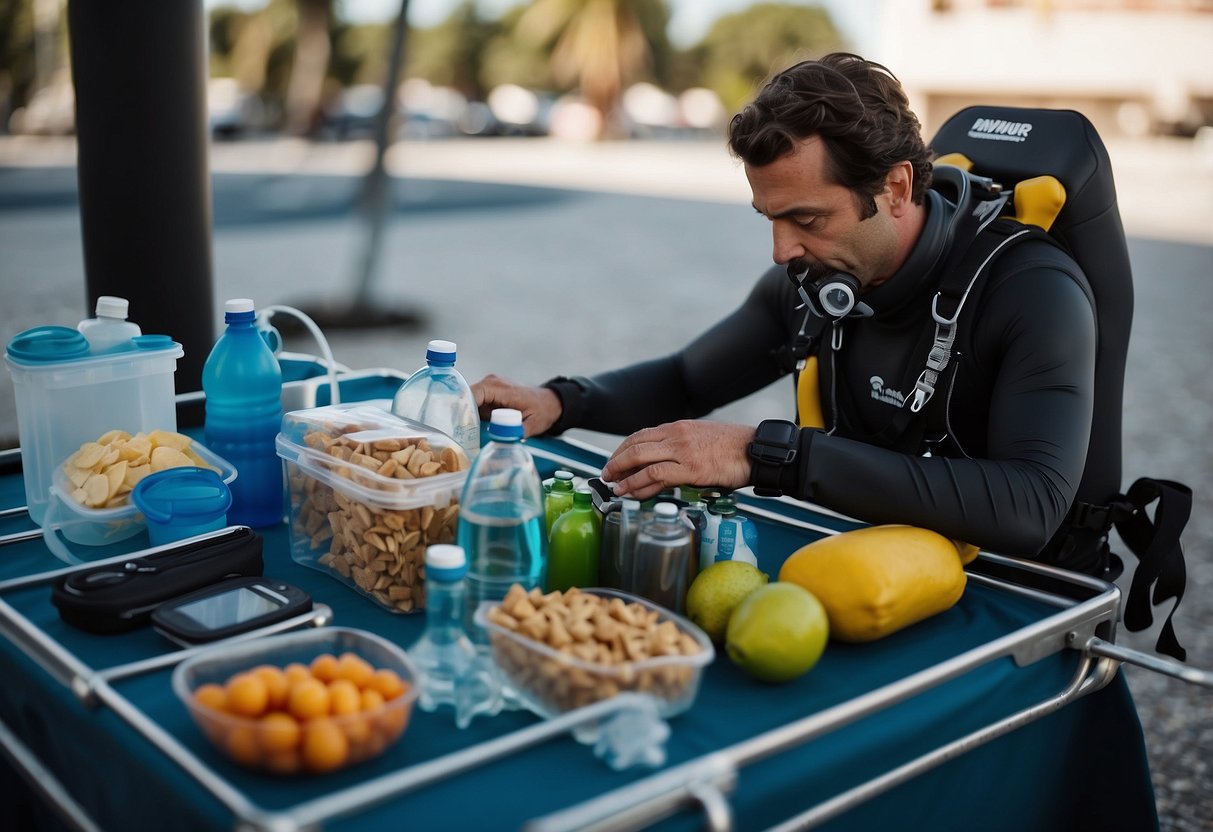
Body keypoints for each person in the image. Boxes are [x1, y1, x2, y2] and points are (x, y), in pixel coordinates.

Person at [471, 52, 1103, 571]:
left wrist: (768, 454)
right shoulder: (815, 276)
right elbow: (689, 380)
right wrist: (560, 402)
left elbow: (1033, 504)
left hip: (1015, 588)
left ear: (898, 187)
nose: (781, 251)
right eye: (771, 217)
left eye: (807, 218)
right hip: (864, 562)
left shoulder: (1032, 289)